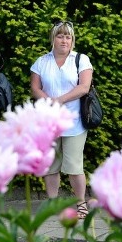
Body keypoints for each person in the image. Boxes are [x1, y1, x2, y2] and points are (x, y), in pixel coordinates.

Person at [30, 20, 93, 218]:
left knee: (74, 166)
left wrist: (60, 100)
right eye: (60, 36)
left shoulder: (81, 60)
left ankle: (81, 203)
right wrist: (49, 101)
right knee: (51, 165)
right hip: (49, 122)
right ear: (53, 38)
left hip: (74, 121)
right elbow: (35, 88)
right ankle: (52, 203)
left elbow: (84, 87)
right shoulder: (42, 62)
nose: (64, 40)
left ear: (72, 40)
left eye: (68, 36)